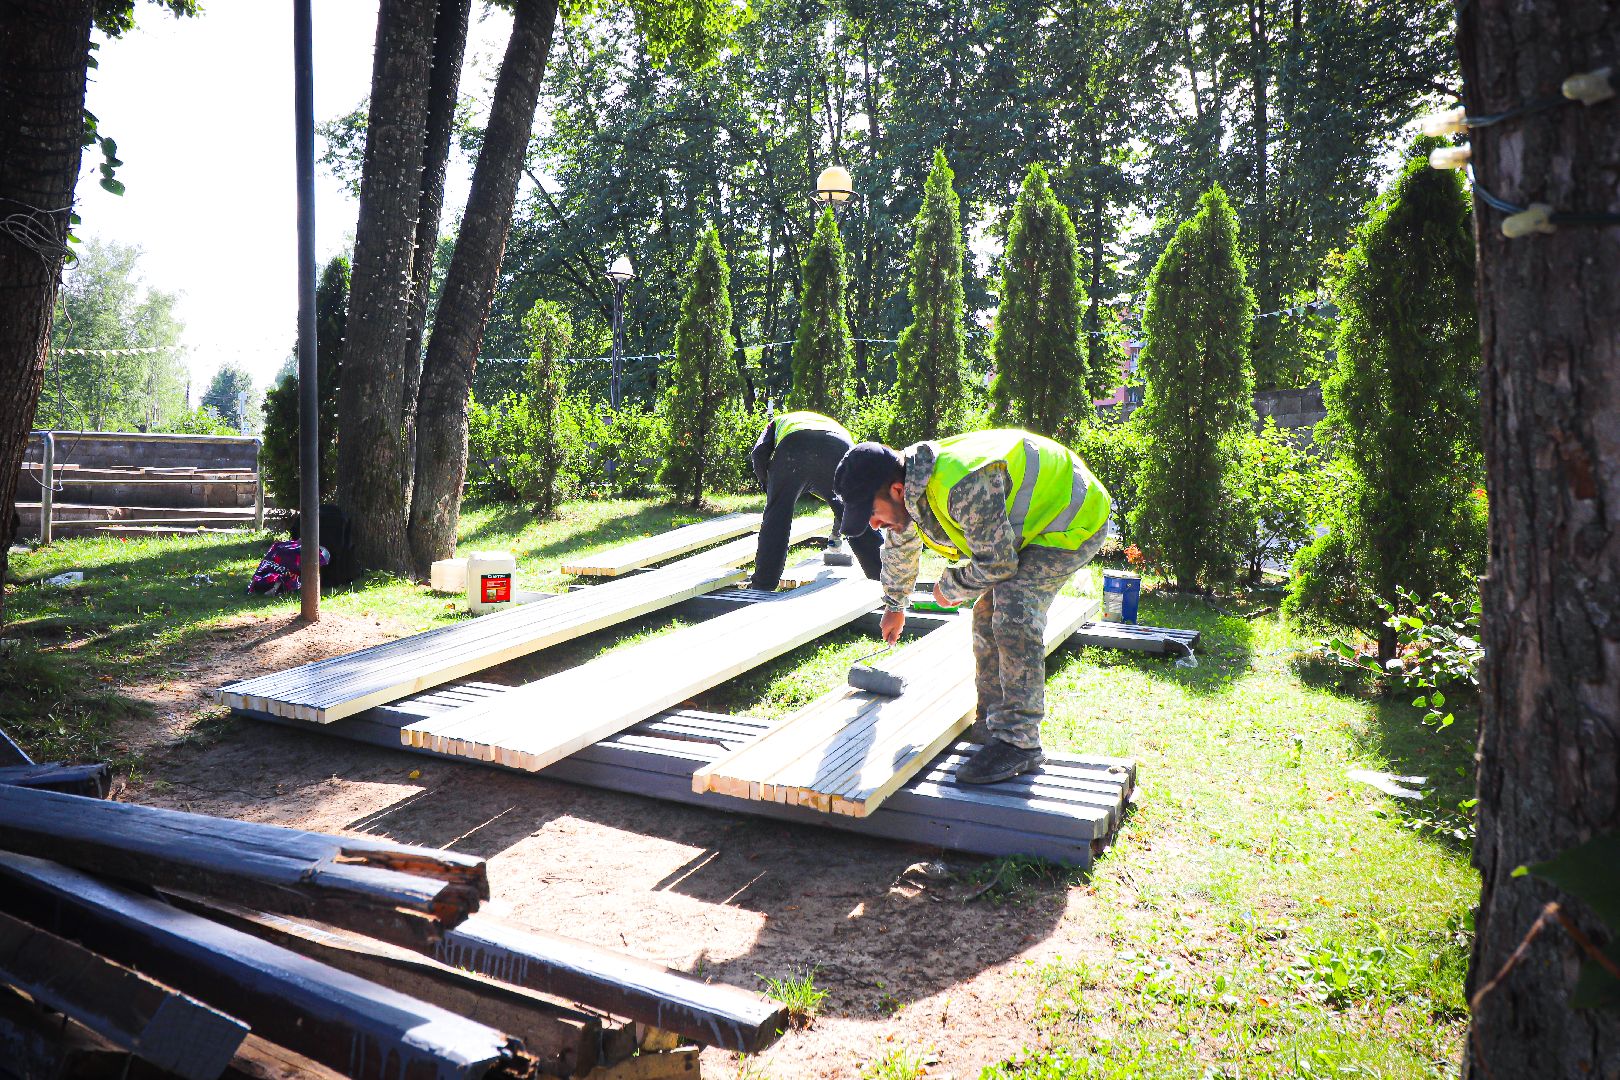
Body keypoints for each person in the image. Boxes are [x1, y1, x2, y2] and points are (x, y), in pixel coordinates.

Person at [832, 429, 1111, 784]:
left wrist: (952, 586)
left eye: (871, 512)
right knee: (985, 615)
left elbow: (998, 565)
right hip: (1030, 528)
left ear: (897, 491)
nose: (872, 523)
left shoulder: (962, 484)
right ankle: (993, 724)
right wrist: (895, 604)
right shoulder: (908, 488)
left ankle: (1019, 743)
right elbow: (900, 548)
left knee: (1013, 613)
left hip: (1071, 522)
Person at [748, 410, 882, 591]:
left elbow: (759, 453)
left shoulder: (777, 422)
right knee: (855, 516)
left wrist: (769, 485)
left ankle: (763, 584)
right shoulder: (833, 424)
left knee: (776, 520)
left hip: (793, 449)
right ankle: (883, 579)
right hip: (839, 448)